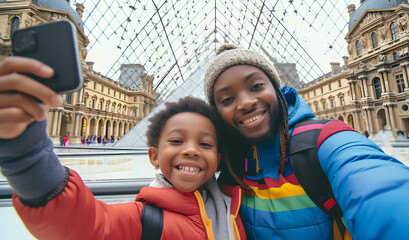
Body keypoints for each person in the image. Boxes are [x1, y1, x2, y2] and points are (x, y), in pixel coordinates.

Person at [0, 57, 246, 240]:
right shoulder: (142, 220)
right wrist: (27, 154)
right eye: (177, 141)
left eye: (205, 144)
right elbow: (83, 225)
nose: (191, 150)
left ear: (218, 158)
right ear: (154, 156)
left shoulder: (238, 206)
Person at [204, 44, 409, 240]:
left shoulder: (324, 138)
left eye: (256, 86)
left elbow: (375, 181)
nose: (245, 103)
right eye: (227, 99)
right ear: (216, 113)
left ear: (277, 89)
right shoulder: (226, 166)